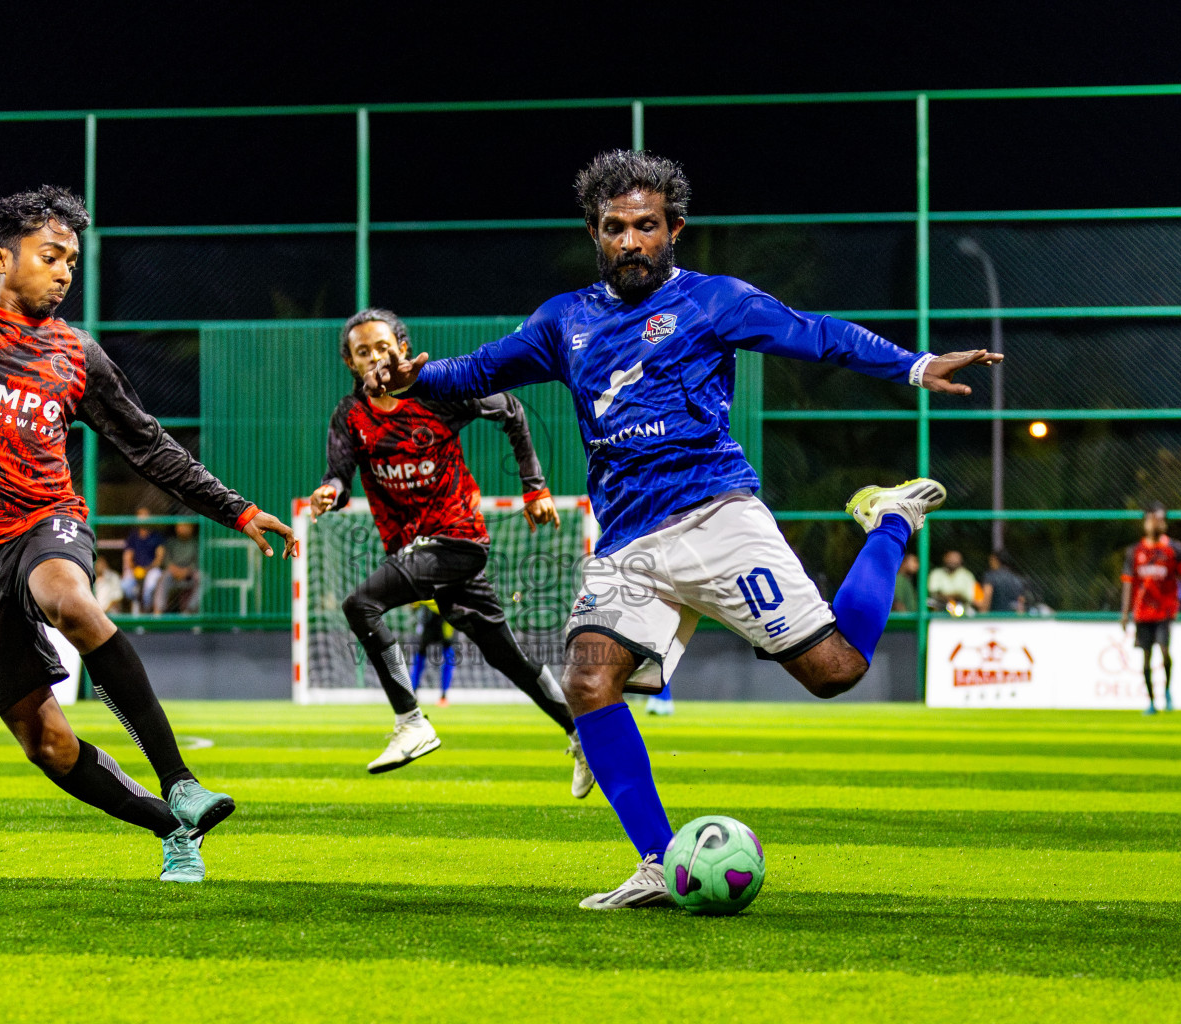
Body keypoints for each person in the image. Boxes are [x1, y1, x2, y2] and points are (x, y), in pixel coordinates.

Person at [365, 149, 997, 909]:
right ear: (595, 235)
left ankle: (889, 520)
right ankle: (658, 865)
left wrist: (915, 364)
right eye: (613, 228)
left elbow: (814, 332)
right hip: (629, 543)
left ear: (674, 229)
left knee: (837, 673)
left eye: (645, 226)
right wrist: (413, 379)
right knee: (588, 682)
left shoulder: (713, 301)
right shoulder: (564, 321)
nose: (630, 241)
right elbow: (475, 372)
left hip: (717, 517)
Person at [0, 65, 297, 882]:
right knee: (43, 741)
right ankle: (168, 826)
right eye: (52, 254)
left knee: (68, 595)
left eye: (74, 259)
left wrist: (238, 510)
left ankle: (181, 780)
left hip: (45, 522)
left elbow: (147, 446)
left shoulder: (75, 354)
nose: (66, 269)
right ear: (0, 256)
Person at [312, 308, 594, 796]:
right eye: (364, 352)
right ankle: (582, 734)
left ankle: (411, 721)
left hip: (457, 538)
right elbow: (339, 474)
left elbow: (511, 410)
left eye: (384, 346)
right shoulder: (349, 416)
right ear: (349, 362)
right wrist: (329, 492)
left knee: (360, 604)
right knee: (506, 655)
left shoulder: (436, 392)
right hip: (419, 550)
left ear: (402, 347)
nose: (376, 357)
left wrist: (535, 487)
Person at [1120, 502, 1181, 715]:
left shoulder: (1174, 549)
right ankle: (1151, 702)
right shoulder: (1135, 551)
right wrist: (1124, 613)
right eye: (1152, 518)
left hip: (1165, 609)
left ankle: (1167, 691)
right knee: (1146, 657)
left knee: (1164, 650)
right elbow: (1127, 582)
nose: (1156, 522)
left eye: (1159, 518)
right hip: (1142, 612)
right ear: (1145, 522)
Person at [408, 600, 456, 707]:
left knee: (449, 655)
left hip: (445, 619)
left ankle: (444, 696)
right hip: (428, 619)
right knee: (420, 654)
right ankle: (413, 693)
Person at [121, 508, 165, 614]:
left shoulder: (156, 536)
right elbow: (128, 557)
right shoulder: (133, 536)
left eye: (146, 515)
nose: (143, 518)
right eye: (141, 516)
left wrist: (147, 569)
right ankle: (138, 608)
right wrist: (134, 568)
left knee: (150, 587)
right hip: (136, 569)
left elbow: (159, 558)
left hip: (152, 570)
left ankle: (146, 611)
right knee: (126, 585)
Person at [153, 520, 202, 614]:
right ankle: (158, 612)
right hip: (173, 573)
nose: (182, 529)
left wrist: (187, 571)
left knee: (203, 578)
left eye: (185, 526)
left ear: (191, 528)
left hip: (189, 574)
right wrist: (174, 570)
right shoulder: (171, 542)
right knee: (163, 578)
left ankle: (189, 610)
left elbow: (198, 561)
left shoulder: (196, 543)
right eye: (180, 526)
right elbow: (167, 560)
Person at [978, 549, 1027, 614]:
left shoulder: (990, 576)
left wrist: (982, 616)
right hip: (1013, 619)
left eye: (991, 560)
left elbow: (987, 598)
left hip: (995, 618)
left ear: (995, 560)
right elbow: (1021, 603)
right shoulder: (1017, 578)